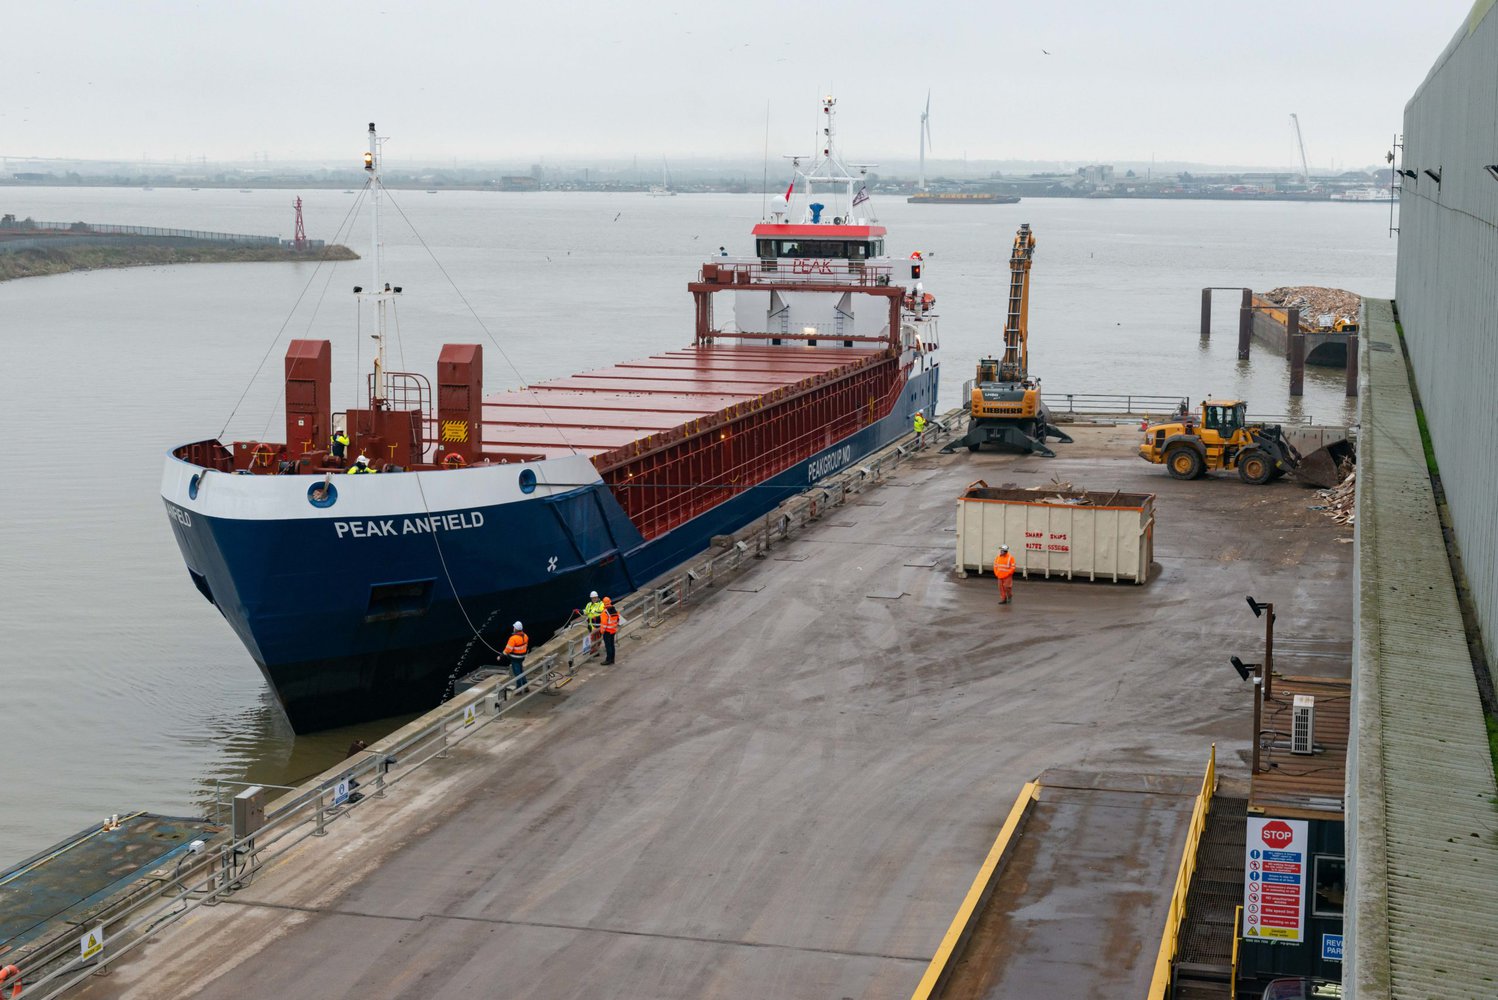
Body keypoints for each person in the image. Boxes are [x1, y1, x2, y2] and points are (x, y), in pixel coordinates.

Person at [501, 621, 529, 691]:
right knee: (521, 671)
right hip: (522, 657)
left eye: (514, 627)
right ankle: (525, 686)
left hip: (515, 658)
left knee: (517, 673)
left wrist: (501, 655)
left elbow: (508, 650)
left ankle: (519, 688)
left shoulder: (513, 638)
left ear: (515, 629)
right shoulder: (525, 636)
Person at [599, 597, 620, 665]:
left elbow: (604, 624)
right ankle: (612, 659)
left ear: (603, 603)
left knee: (608, 646)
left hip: (607, 631)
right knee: (612, 645)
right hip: (613, 630)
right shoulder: (614, 610)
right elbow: (617, 619)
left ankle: (608, 660)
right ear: (610, 602)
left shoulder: (604, 612)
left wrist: (602, 631)